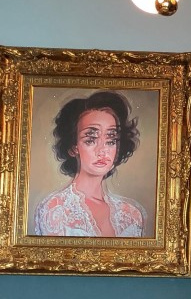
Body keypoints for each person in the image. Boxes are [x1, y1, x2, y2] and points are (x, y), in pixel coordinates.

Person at [34, 90, 145, 237]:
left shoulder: (131, 215)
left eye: (111, 140)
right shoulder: (55, 209)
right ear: (73, 147)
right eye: (90, 140)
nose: (102, 150)